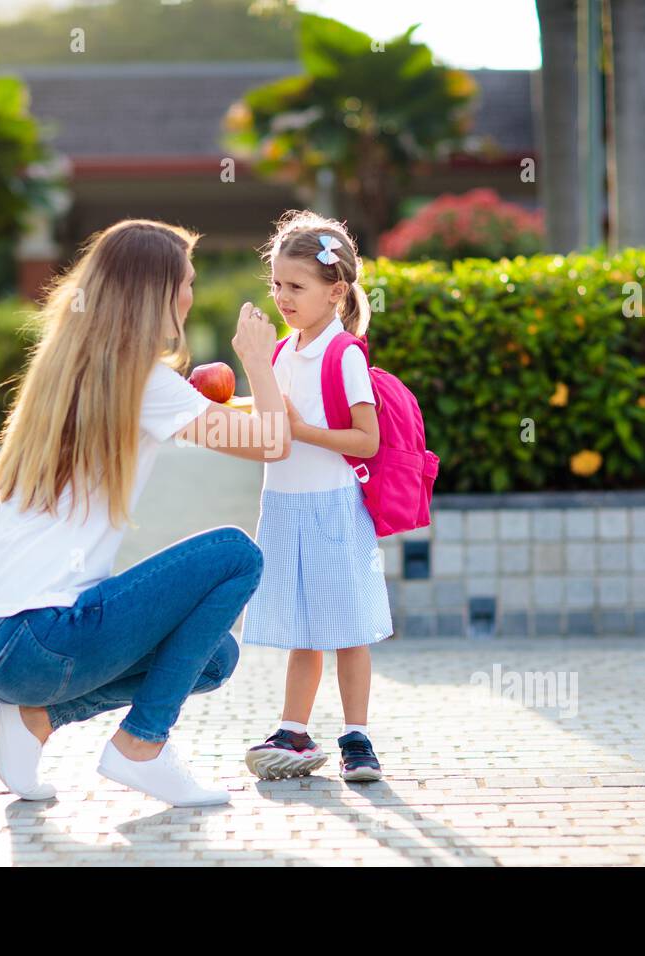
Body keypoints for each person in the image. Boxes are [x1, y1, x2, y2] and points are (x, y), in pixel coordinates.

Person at [0, 219, 292, 808]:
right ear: (154, 291)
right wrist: (258, 358)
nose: (190, 294)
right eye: (184, 281)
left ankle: (34, 721)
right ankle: (142, 746)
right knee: (235, 555)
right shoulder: (143, 382)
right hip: (41, 639)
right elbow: (271, 442)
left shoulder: (65, 370)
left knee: (213, 659)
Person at [240, 210, 394, 783]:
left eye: (295, 286)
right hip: (283, 506)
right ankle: (294, 730)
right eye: (276, 284)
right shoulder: (280, 354)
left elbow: (367, 439)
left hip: (332, 507)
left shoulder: (345, 355)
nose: (282, 297)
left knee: (347, 630)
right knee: (303, 629)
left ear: (336, 291)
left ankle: (358, 739)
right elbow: (268, 432)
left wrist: (301, 430)